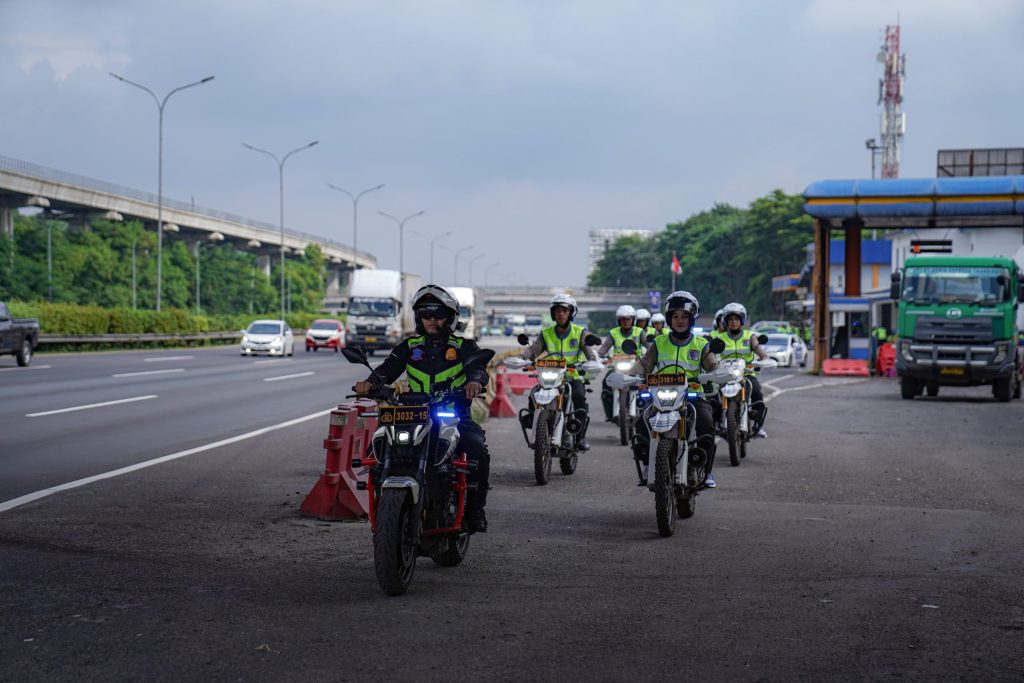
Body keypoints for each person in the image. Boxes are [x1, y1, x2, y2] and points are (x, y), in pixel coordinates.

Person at [354, 284, 492, 533]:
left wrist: (475, 382)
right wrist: (371, 383)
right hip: (412, 414)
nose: (432, 320)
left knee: (477, 451)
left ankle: (475, 511)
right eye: (426, 315)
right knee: (375, 451)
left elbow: (479, 370)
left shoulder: (463, 347)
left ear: (449, 318)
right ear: (419, 318)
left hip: (453, 417)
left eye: (438, 314)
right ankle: (383, 505)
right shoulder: (410, 347)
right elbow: (387, 369)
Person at [630, 290, 721, 487]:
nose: (680, 320)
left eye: (685, 316)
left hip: (693, 396)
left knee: (706, 422)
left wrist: (717, 374)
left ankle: (705, 469)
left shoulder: (701, 344)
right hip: (661, 395)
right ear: (669, 319)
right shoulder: (659, 343)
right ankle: (647, 464)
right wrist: (629, 375)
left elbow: (713, 366)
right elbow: (645, 363)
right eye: (675, 316)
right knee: (641, 421)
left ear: (692, 318)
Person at [518, 293, 598, 451]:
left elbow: (587, 348)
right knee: (534, 392)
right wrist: (522, 357)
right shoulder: (546, 333)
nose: (560, 314)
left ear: (571, 313)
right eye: (557, 311)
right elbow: (535, 348)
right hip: (550, 377)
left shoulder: (579, 332)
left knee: (579, 397)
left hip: (571, 377)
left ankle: (580, 437)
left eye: (564, 310)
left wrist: (591, 359)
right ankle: (536, 422)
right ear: (553, 314)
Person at [718, 302, 770, 438]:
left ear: (742, 321)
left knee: (757, 393)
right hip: (725, 376)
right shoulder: (719, 339)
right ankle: (717, 424)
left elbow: (762, 353)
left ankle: (758, 426)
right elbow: (710, 356)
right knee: (712, 396)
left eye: (736, 319)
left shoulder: (749, 337)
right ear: (726, 321)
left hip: (746, 374)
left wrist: (764, 360)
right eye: (730, 319)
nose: (733, 322)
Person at [597, 305, 647, 421]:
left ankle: (647, 412)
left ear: (633, 320)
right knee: (606, 382)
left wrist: (651, 355)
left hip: (636, 367)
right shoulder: (614, 333)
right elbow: (605, 347)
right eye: (623, 319)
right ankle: (609, 414)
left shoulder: (639, 332)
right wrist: (597, 356)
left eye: (628, 319)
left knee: (649, 384)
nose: (625, 322)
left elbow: (649, 347)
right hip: (617, 366)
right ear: (619, 320)